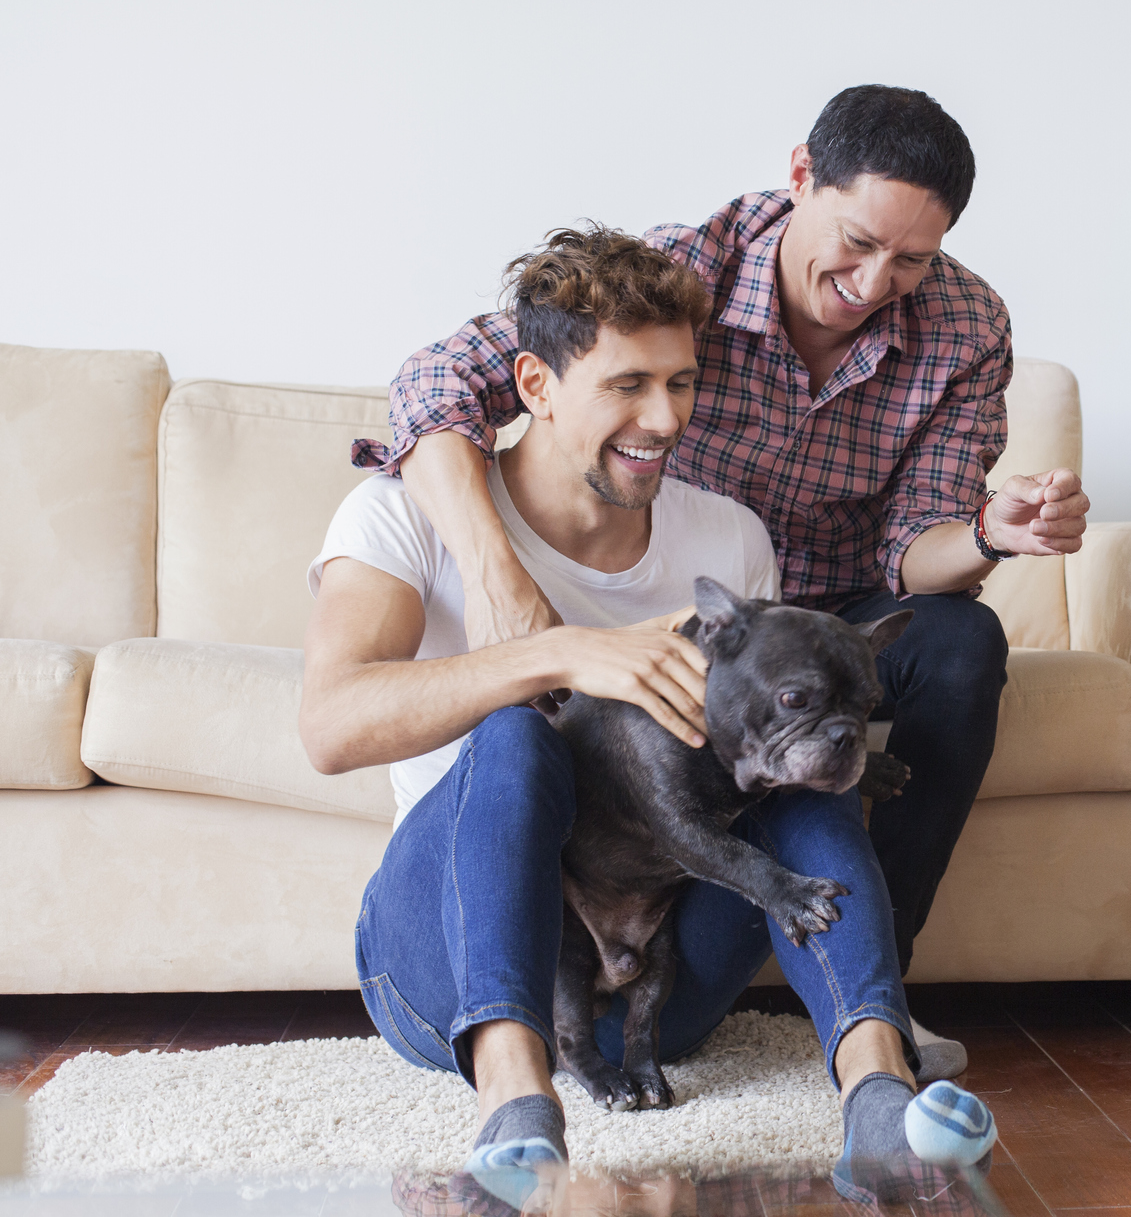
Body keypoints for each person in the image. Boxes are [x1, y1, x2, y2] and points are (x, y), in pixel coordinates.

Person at [353, 85, 1092, 1073]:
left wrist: (990, 534)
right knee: (532, 738)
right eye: (859, 241)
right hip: (704, 634)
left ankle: (875, 1005)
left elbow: (914, 546)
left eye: (911, 261)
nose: (876, 282)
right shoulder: (672, 277)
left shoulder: (961, 330)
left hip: (820, 621)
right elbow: (437, 383)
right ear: (800, 178)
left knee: (936, 661)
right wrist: (507, 595)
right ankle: (520, 1079)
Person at [303, 227, 947, 1201]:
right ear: (535, 383)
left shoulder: (726, 538)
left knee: (796, 761)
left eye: (681, 383)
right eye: (626, 385)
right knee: (519, 731)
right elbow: (329, 727)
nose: (663, 417)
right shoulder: (399, 515)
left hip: (660, 973)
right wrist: (553, 654)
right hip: (450, 965)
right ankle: (517, 1105)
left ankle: (878, 1095)